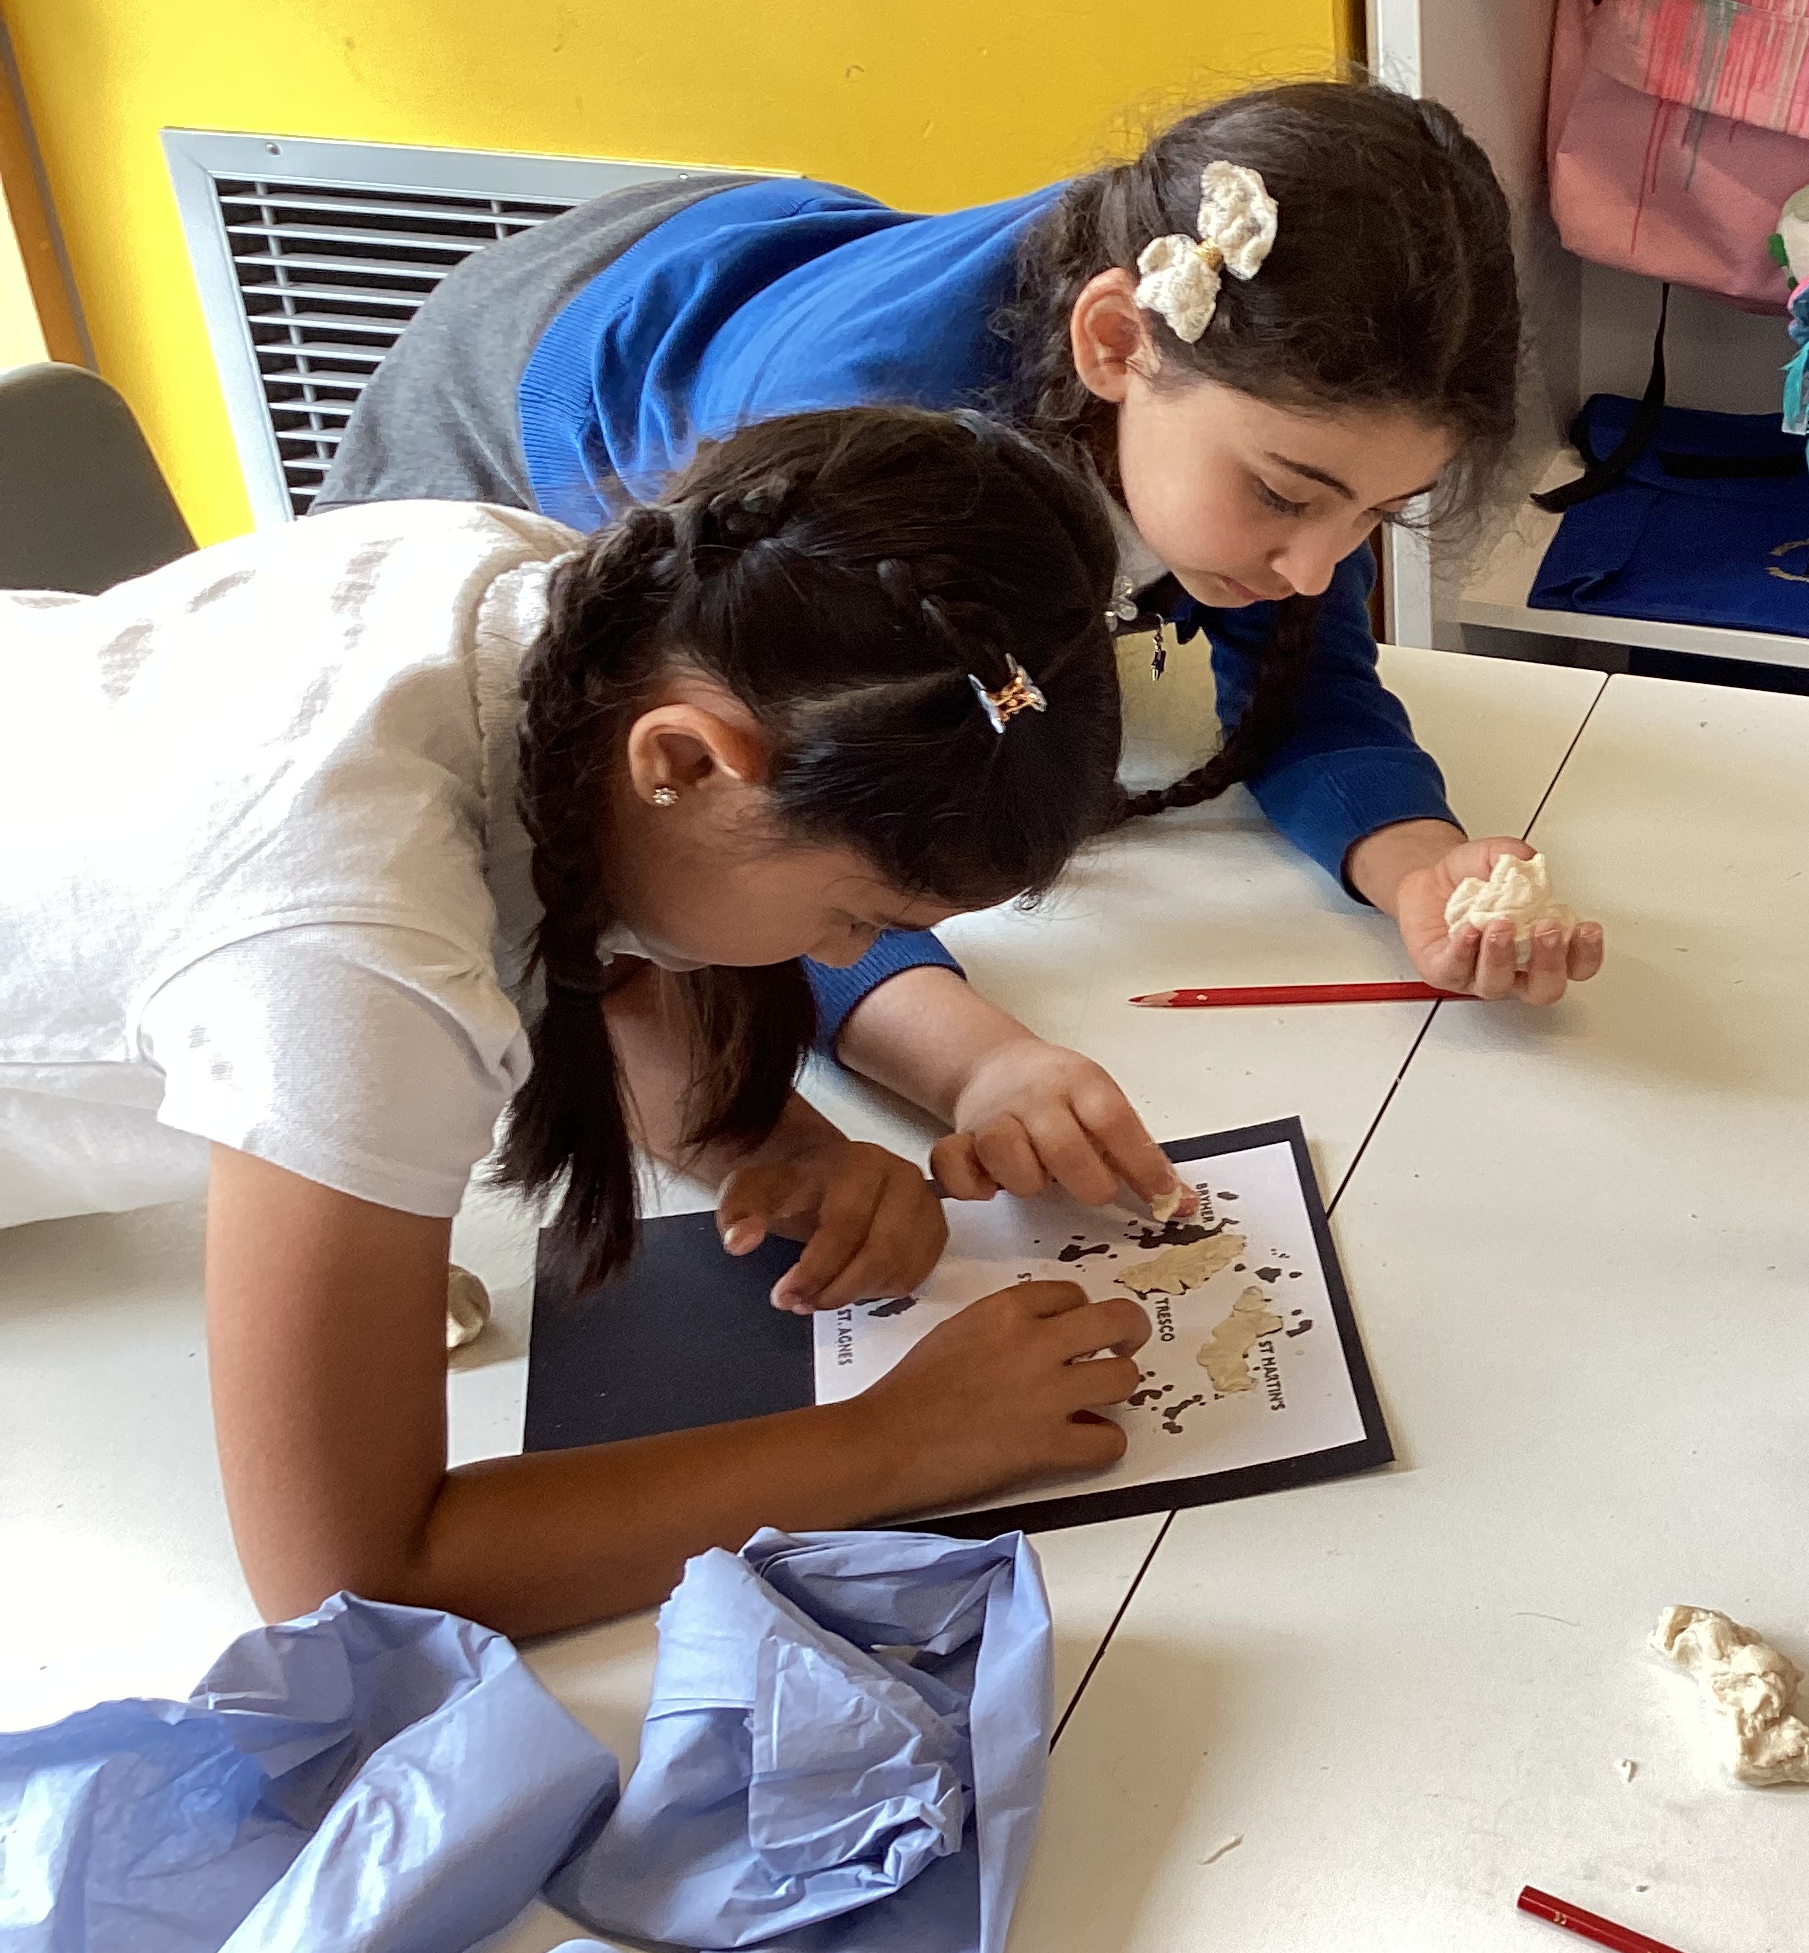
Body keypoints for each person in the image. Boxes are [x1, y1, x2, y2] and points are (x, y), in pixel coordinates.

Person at [2, 407, 1181, 1637]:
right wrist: (897, 1444)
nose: (841, 957)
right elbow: (350, 1578)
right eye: (854, 915)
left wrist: (777, 1145)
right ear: (687, 762)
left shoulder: (586, 601)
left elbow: (587, 923)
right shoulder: (353, 949)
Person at [316, 82, 1605, 1165]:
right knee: (482, 862)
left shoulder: (1240, 370)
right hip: (519, 389)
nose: (1320, 567)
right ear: (1114, 343)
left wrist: (1418, 861)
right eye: (1284, 496)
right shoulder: (859, 441)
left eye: (1379, 512)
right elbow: (764, 836)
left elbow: (1301, 674)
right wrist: (970, 1058)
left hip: (774, 263)